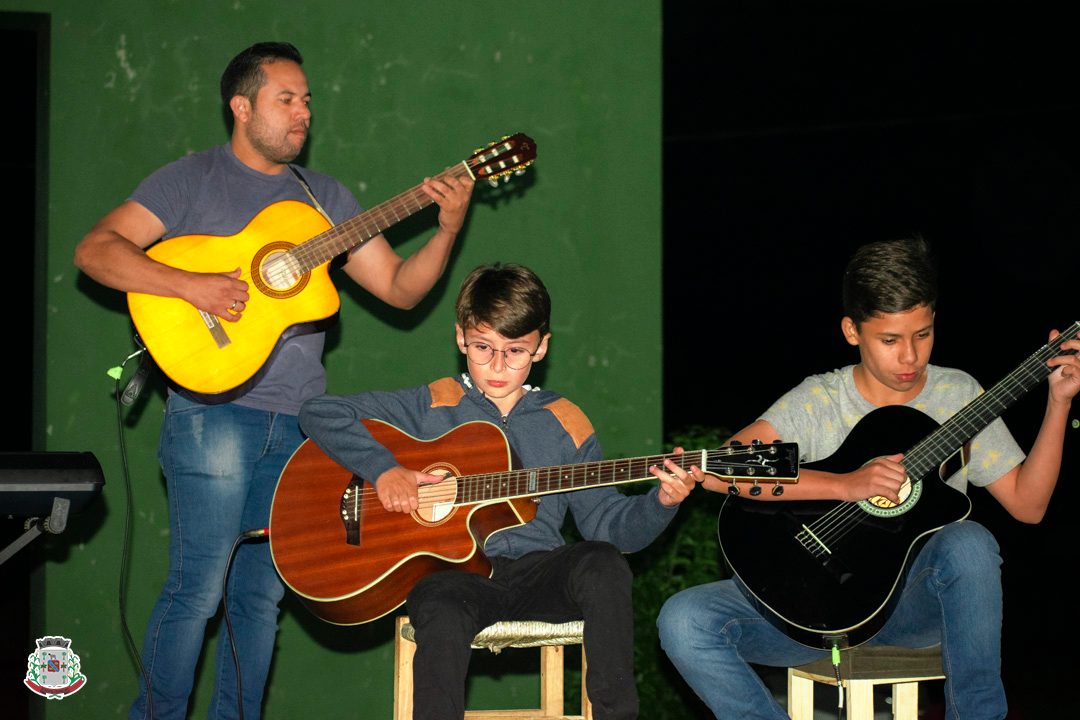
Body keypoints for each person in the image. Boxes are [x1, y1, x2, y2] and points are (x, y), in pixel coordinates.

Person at [73, 41, 474, 720]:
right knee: (199, 590)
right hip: (212, 414)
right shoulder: (190, 180)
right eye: (286, 98)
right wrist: (192, 286)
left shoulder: (326, 200)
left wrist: (448, 227)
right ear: (242, 105)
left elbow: (401, 291)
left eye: (308, 99)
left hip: (300, 428)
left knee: (260, 598)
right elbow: (96, 250)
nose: (303, 113)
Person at [657, 236, 1079, 719]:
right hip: (810, 609)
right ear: (852, 331)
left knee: (970, 541)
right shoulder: (821, 400)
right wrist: (844, 485)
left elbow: (1029, 505)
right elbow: (721, 470)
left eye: (922, 334)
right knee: (684, 619)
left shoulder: (958, 394)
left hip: (910, 608)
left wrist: (1058, 403)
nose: (909, 358)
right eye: (890, 340)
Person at [298, 262, 697, 720]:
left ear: (542, 347)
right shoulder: (431, 403)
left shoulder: (565, 420)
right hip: (455, 576)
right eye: (483, 348)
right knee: (441, 607)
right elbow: (319, 412)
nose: (498, 366)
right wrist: (385, 470)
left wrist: (660, 502)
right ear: (460, 338)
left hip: (538, 573)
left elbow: (610, 526)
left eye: (516, 351)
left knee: (603, 564)